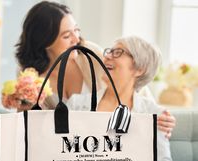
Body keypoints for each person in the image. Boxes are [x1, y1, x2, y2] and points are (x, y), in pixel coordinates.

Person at [15, 1, 175, 138]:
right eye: (66, 36)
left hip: (105, 140)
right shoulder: (30, 75)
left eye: (76, 30)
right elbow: (30, 125)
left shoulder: (89, 54)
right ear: (45, 41)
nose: (76, 39)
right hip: (68, 148)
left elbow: (130, 81)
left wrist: (156, 119)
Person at [68, 36, 174, 161]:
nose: (107, 56)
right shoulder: (76, 105)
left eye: (118, 52)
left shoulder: (154, 114)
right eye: (109, 51)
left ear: (140, 69)